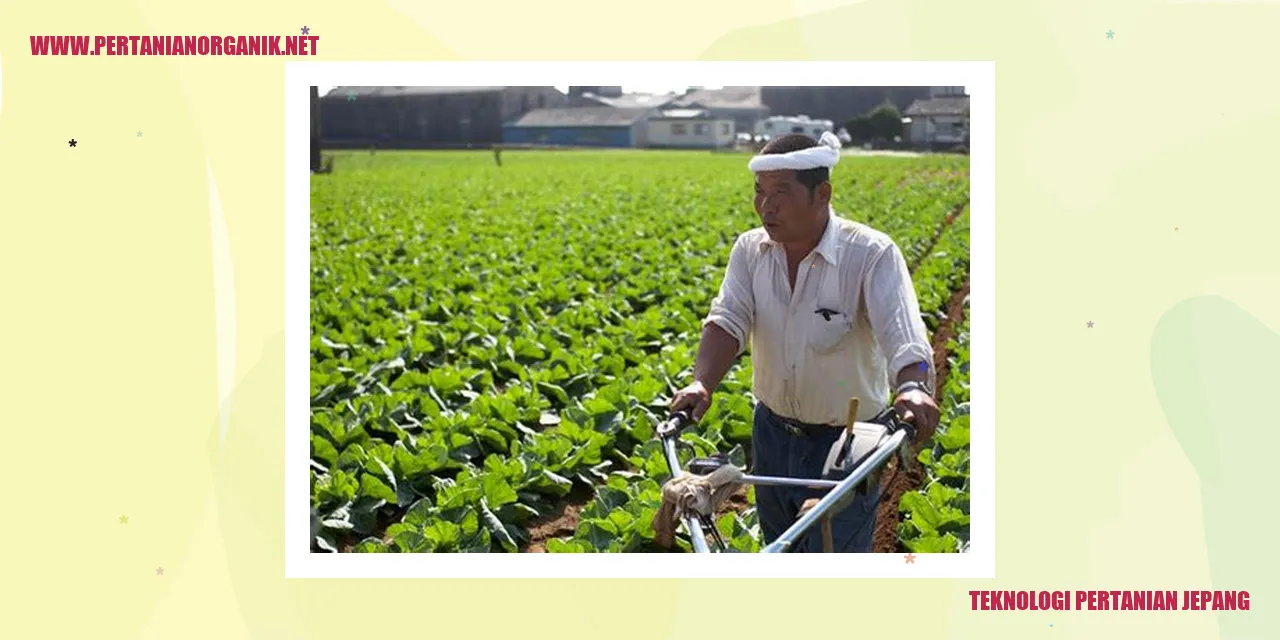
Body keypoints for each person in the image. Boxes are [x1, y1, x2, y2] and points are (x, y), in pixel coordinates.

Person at [669, 131, 939, 553]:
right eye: (759, 192)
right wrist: (701, 382)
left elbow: (906, 341)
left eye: (781, 192)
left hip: (847, 445)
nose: (766, 206)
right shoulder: (750, 251)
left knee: (834, 562)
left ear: (822, 194)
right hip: (772, 434)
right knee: (781, 550)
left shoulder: (870, 254)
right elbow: (728, 319)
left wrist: (913, 388)